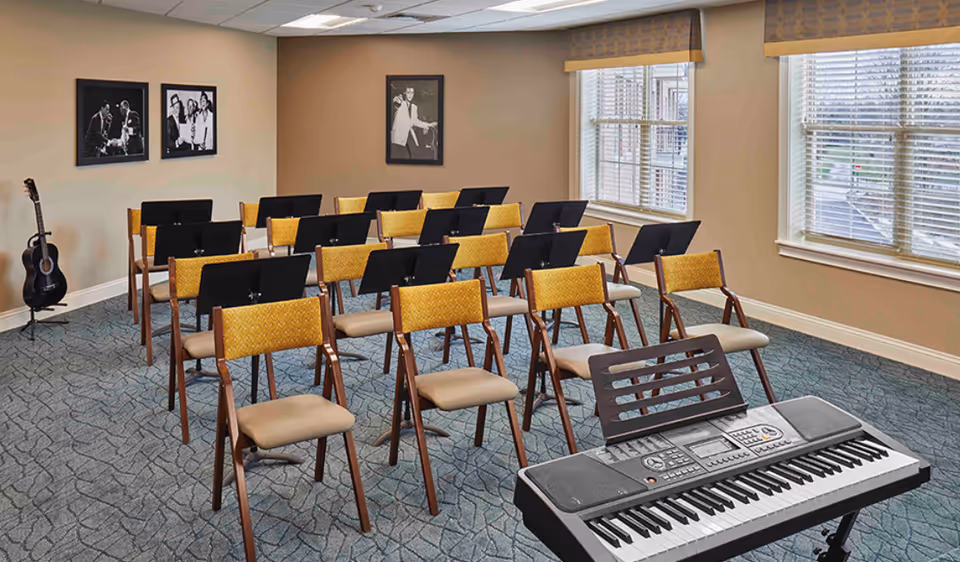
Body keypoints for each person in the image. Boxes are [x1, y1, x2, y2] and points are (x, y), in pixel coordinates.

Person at [390, 86, 436, 160]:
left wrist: (429, 125)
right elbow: (396, 104)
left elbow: (415, 121)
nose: (410, 95)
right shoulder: (400, 102)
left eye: (412, 93)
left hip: (409, 136)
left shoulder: (414, 107)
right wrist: (397, 99)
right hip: (398, 138)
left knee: (413, 155)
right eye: (408, 92)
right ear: (404, 93)